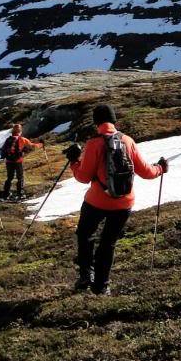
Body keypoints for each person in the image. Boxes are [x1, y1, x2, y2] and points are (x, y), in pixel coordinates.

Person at [64, 104, 168, 295]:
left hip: (96, 201)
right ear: (114, 121)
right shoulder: (127, 141)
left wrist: (74, 162)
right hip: (123, 203)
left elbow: (83, 177)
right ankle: (102, 286)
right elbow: (146, 172)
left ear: (96, 123)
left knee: (85, 234)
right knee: (108, 243)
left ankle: (87, 274)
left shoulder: (94, 144)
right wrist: (160, 168)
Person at [0, 123, 43, 200]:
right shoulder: (22, 139)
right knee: (20, 177)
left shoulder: (8, 139)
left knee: (9, 177)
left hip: (9, 161)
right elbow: (32, 146)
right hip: (18, 161)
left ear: (13, 131)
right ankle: (20, 193)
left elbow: (3, 149)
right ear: (20, 131)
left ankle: (6, 193)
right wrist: (41, 144)